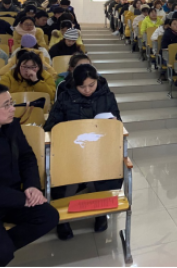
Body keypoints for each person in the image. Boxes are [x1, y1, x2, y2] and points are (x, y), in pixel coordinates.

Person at [43, 64, 121, 240]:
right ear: (75, 84)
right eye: (82, 86)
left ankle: (101, 213)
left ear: (97, 81)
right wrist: (70, 129)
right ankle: (62, 219)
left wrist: (114, 122)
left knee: (102, 174)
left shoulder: (107, 96)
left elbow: (118, 123)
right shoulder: (65, 98)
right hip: (71, 150)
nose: (87, 90)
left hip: (99, 149)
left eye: (91, 85)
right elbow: (50, 127)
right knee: (65, 178)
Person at [0, 84, 59, 266]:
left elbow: (27, 157)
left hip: (14, 197)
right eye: (6, 105)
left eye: (11, 103)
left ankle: (4, 246)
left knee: (48, 216)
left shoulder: (11, 126)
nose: (12, 109)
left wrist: (32, 186)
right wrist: (22, 199)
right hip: (5, 199)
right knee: (2, 254)